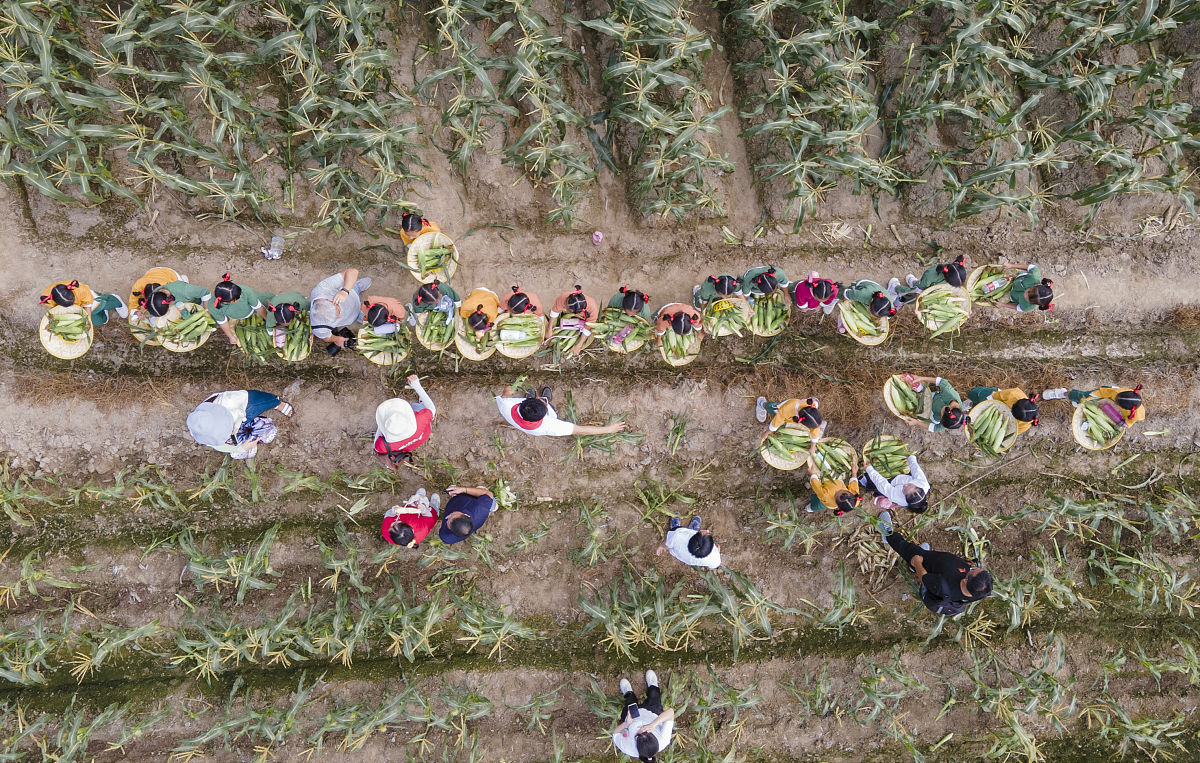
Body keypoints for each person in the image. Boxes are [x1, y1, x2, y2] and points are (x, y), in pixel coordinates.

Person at [876, 510, 993, 615]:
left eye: (973, 571)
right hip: (935, 561)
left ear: (965, 580)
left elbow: (924, 578)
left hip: (925, 564)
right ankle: (915, 563)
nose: (974, 568)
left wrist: (917, 563)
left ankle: (888, 535)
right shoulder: (981, 590)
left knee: (906, 549)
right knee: (921, 554)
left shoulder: (943, 586)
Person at [186, 390, 294, 460]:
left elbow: (239, 412)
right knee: (237, 450)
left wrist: (237, 424)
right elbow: (219, 446)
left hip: (243, 407)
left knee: (257, 404)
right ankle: (250, 438)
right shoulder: (200, 430)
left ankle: (277, 403)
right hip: (234, 421)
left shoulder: (229, 402)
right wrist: (240, 449)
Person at [495, 385, 628, 437]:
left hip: (522, 412)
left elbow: (504, 397)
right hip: (535, 415)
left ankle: (531, 397)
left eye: (541, 401)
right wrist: (608, 429)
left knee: (534, 403)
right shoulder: (551, 425)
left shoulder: (506, 406)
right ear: (543, 416)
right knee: (552, 409)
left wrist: (506, 391)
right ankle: (547, 399)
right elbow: (580, 430)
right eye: (543, 403)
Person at [374, 375, 436, 469]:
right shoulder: (419, 421)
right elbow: (432, 409)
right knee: (417, 406)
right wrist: (417, 386)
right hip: (423, 430)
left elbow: (380, 427)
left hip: (420, 438)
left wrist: (385, 422)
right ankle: (420, 402)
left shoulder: (381, 446)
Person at [612, 670, 674, 762]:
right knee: (654, 694)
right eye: (647, 732)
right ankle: (652, 685)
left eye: (639, 734)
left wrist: (626, 724)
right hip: (652, 712)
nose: (642, 729)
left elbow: (615, 733)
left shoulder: (628, 748)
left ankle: (628, 692)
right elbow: (671, 713)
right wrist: (653, 724)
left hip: (632, 718)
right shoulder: (663, 740)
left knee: (630, 700)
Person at [310, 268, 371, 355]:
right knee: (367, 320)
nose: (340, 316)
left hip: (352, 293)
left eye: (338, 312)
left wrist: (345, 291)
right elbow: (326, 337)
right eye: (336, 318)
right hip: (354, 316)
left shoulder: (322, 289)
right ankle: (358, 315)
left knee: (362, 283)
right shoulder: (318, 328)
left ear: (332, 301)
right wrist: (338, 339)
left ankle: (357, 287)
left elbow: (353, 271)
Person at [205, 272, 270, 346]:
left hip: (252, 310)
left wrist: (268, 320)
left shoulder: (244, 291)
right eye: (238, 297)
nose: (241, 296)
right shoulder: (213, 306)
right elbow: (222, 322)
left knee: (267, 299)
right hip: (236, 316)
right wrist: (230, 336)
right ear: (231, 301)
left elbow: (258, 307)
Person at [1043, 384, 1145, 427]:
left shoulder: (1137, 415)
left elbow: (1129, 422)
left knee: (1089, 407)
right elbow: (1104, 392)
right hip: (1103, 394)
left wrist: (1124, 424)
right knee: (1082, 396)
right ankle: (1062, 393)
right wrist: (1092, 396)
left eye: (1117, 403)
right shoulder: (1120, 392)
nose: (1115, 400)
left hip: (1109, 410)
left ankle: (1079, 403)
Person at [860, 453, 930, 513]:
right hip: (902, 477)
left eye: (904, 489)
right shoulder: (923, 483)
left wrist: (869, 469)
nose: (905, 485)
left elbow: (881, 483)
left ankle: (864, 481)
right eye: (910, 484)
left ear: (905, 497)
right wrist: (911, 457)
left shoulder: (896, 496)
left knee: (873, 484)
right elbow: (915, 468)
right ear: (918, 486)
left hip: (892, 484)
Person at [39, 280, 127, 326]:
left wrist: (86, 320)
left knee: (100, 304)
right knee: (99, 321)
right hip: (79, 306)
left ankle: (116, 300)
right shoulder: (47, 298)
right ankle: (104, 314)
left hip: (88, 300)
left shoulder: (80, 289)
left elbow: (87, 306)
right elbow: (55, 309)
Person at [807, 440, 861, 514]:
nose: (838, 490)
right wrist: (854, 473)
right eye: (843, 490)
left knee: (817, 504)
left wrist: (813, 475)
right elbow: (854, 484)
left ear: (837, 504)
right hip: (834, 481)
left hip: (826, 501)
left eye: (836, 493)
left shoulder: (825, 495)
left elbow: (816, 485)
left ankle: (810, 508)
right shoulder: (853, 497)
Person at [900, 374, 967, 432]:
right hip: (932, 398)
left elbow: (935, 428)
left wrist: (917, 422)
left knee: (916, 413)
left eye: (940, 418)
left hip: (931, 415)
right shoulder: (950, 393)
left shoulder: (949, 421)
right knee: (918, 391)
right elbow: (941, 381)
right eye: (941, 415)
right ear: (948, 408)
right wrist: (921, 378)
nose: (940, 418)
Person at [967, 386, 1039, 435]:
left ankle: (970, 406)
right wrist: (983, 406)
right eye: (1012, 408)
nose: (1010, 411)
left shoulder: (1024, 426)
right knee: (977, 395)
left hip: (996, 420)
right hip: (995, 401)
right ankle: (969, 402)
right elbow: (995, 396)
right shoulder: (1013, 394)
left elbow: (1008, 432)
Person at [656, 516, 721, 569]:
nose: (707, 530)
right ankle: (692, 529)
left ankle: (675, 525)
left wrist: (661, 547)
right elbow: (713, 567)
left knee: (675, 530)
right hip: (686, 558)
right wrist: (717, 551)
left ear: (697, 536)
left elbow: (667, 545)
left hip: (678, 540)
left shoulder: (677, 537)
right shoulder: (714, 557)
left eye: (705, 533)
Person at [899, 254, 967, 303]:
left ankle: (913, 282)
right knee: (916, 290)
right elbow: (921, 287)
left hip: (933, 286)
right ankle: (909, 286)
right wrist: (920, 295)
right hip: (923, 285)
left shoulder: (952, 269)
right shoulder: (930, 276)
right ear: (947, 279)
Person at [754, 396, 825, 439]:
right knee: (773, 409)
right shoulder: (785, 410)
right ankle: (762, 404)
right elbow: (776, 422)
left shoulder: (812, 410)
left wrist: (813, 445)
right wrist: (767, 432)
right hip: (783, 408)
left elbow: (816, 426)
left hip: (792, 412)